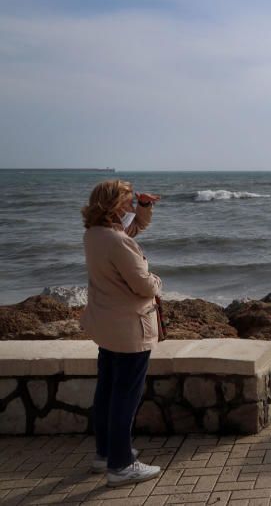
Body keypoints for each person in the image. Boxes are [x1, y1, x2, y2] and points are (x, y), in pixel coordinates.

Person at [80, 179, 163, 487]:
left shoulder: (95, 235)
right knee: (125, 397)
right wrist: (157, 282)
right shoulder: (116, 241)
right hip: (129, 328)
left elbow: (131, 229)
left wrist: (144, 207)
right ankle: (121, 465)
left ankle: (106, 454)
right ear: (113, 205)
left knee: (108, 391)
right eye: (127, 201)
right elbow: (142, 284)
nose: (130, 205)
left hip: (107, 325)